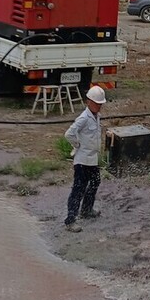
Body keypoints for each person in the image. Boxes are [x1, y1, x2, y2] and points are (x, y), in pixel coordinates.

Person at [63, 85, 106, 232]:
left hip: (92, 159)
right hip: (82, 161)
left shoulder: (96, 116)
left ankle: (87, 210)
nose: (99, 107)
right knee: (78, 189)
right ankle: (70, 220)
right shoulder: (83, 118)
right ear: (89, 102)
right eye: (96, 104)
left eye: (100, 104)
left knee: (95, 182)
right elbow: (69, 134)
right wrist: (77, 144)